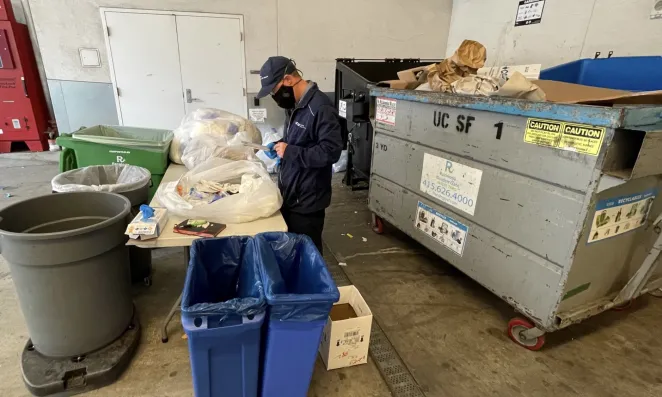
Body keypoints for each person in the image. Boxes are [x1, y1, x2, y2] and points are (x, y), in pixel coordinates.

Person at [256, 56, 343, 253]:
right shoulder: (294, 105)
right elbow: (299, 141)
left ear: (288, 80)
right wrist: (280, 146)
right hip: (292, 193)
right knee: (293, 253)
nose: (274, 96)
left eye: (274, 91)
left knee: (307, 256)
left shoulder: (320, 107)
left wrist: (291, 151)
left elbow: (331, 151)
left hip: (308, 199)